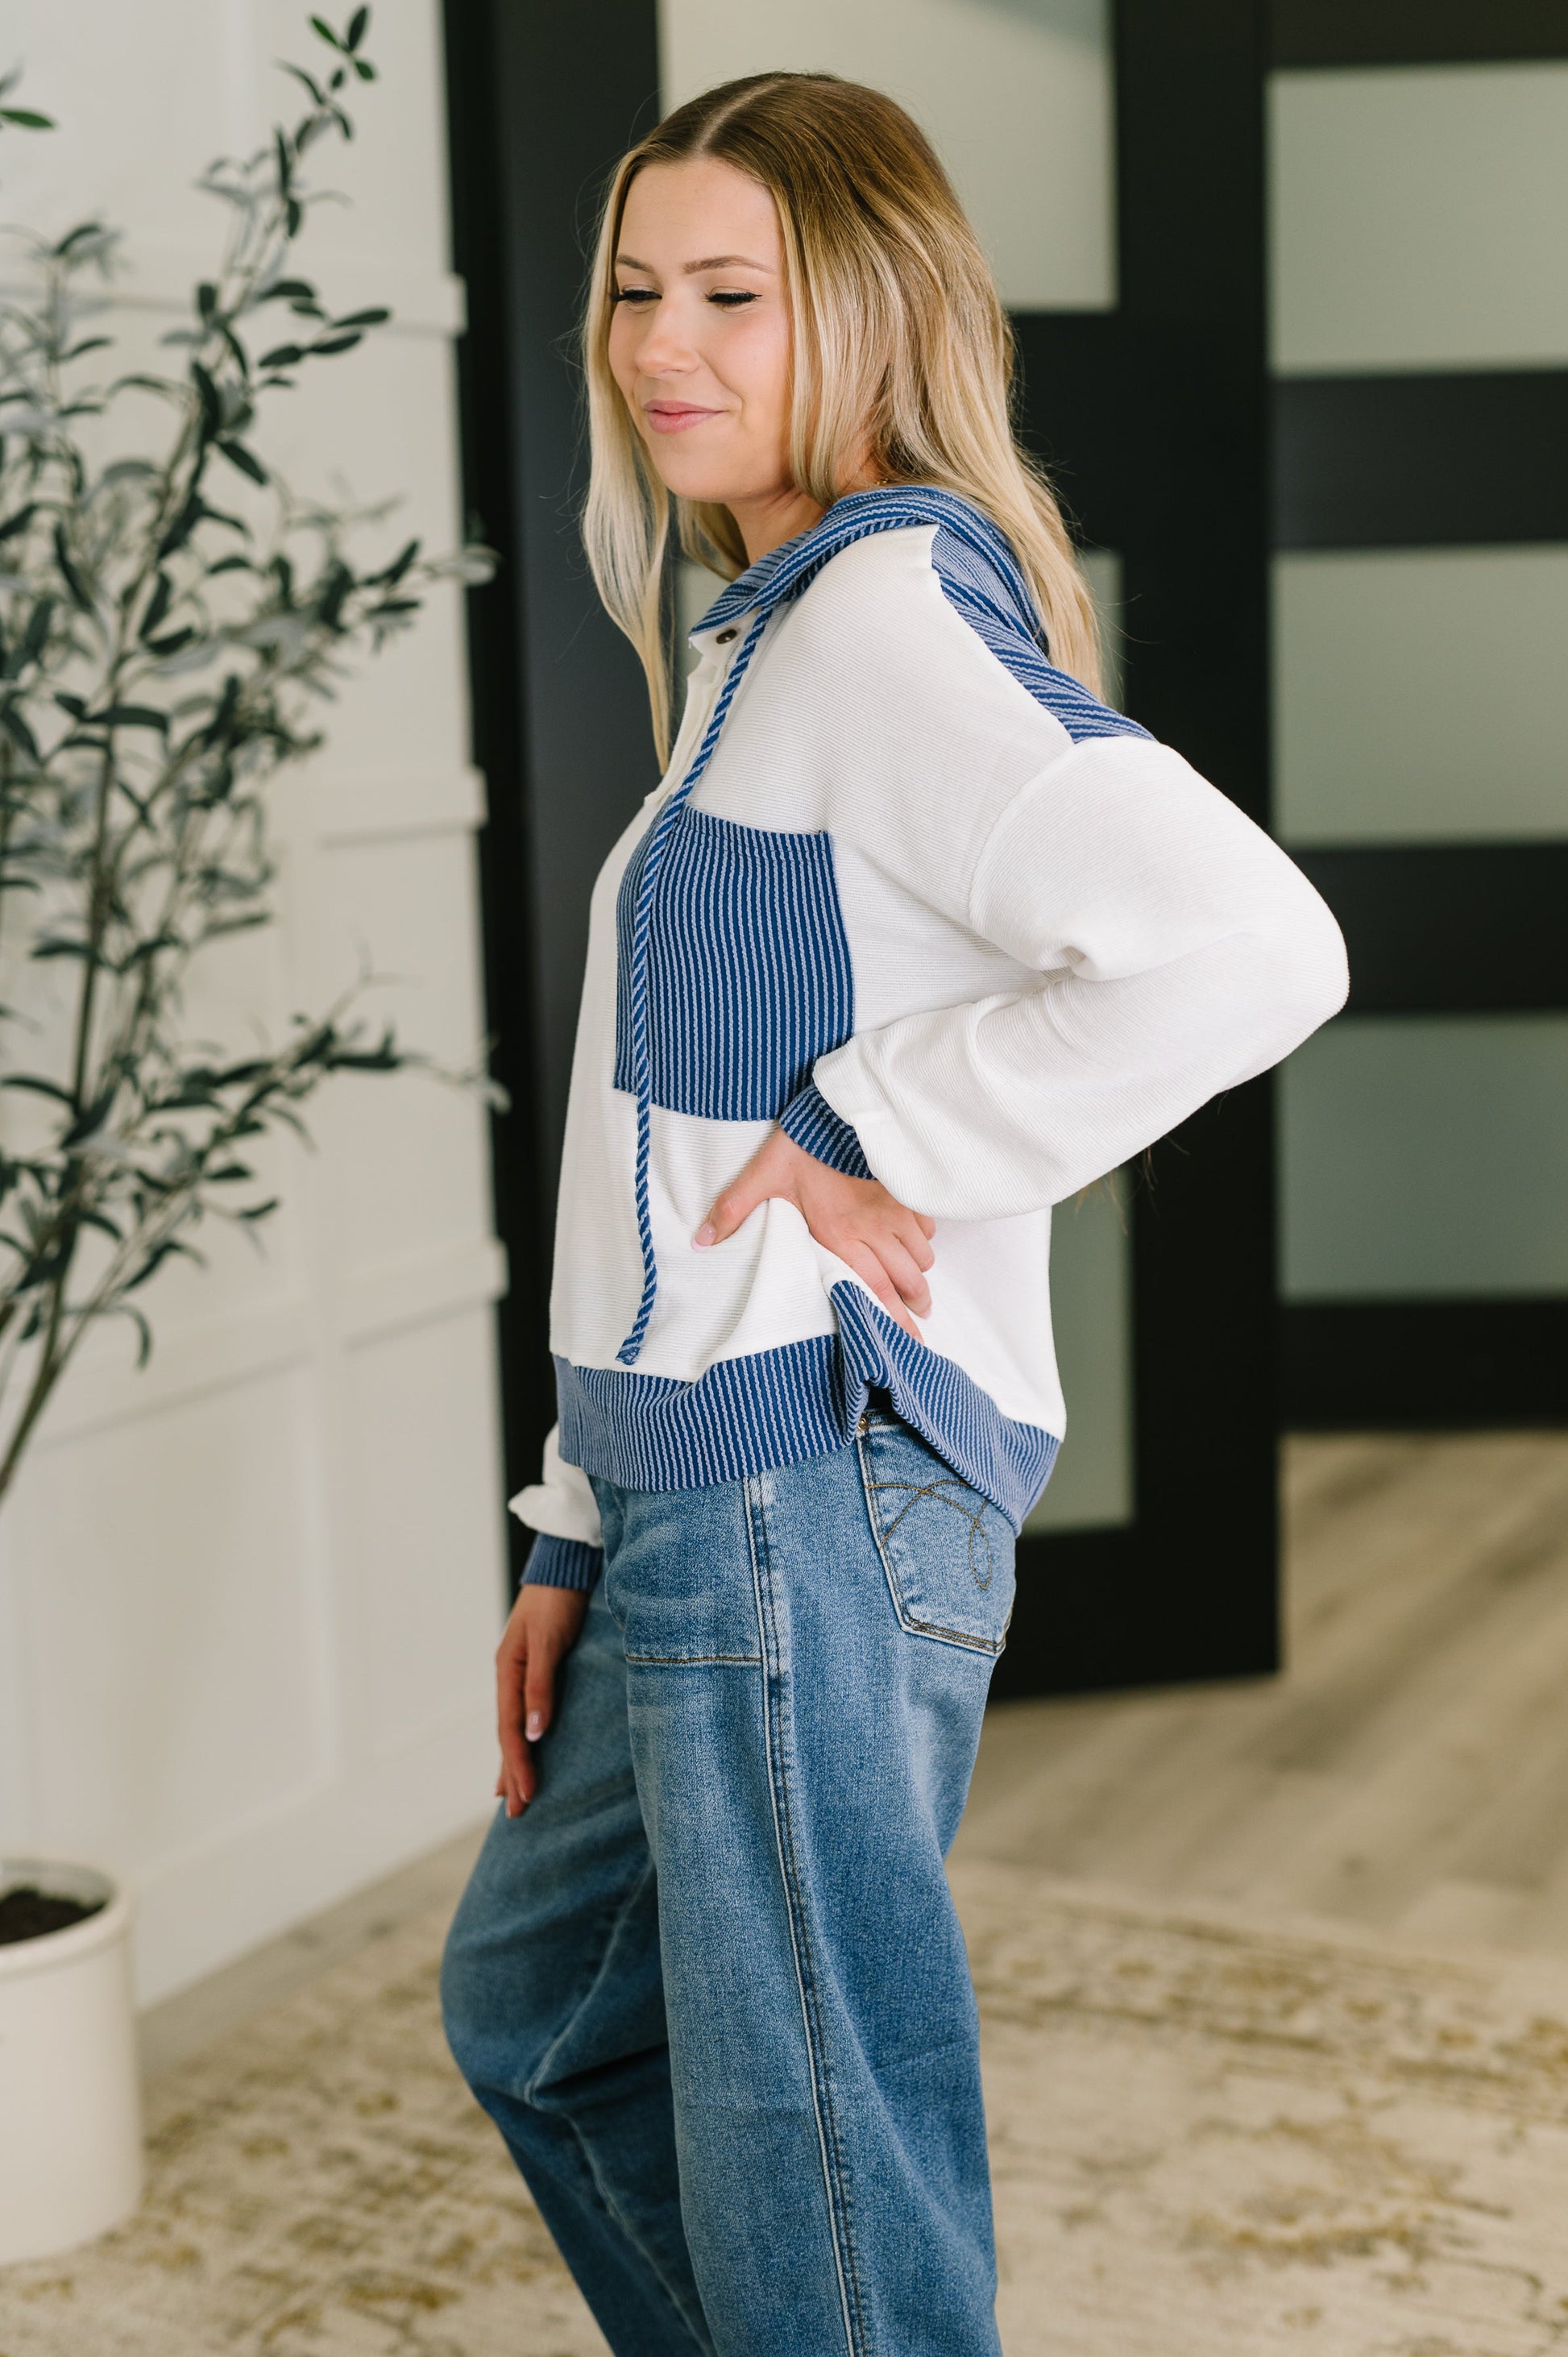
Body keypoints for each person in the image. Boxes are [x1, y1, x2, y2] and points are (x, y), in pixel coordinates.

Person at [441, 69, 1347, 2357]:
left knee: (818, 2159)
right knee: (541, 2016)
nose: (664, 342)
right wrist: (568, 1525)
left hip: (803, 1491)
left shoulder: (877, 625)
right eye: (637, 290)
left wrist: (869, 1116)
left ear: (862, 309)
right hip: (680, 1496)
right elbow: (645, 1153)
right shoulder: (757, 645)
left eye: (732, 293)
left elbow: (1254, 947)